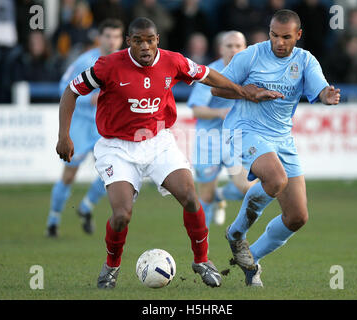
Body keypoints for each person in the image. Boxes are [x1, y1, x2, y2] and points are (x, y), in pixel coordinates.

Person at [55, 17, 262, 289]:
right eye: (138, 41)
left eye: (150, 40)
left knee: (190, 197)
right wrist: (63, 135)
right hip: (117, 146)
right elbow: (71, 91)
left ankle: (202, 260)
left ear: (157, 41)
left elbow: (206, 74)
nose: (145, 46)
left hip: (157, 141)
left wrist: (240, 91)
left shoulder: (172, 61)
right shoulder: (108, 65)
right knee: (122, 216)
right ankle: (111, 267)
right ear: (129, 42)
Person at [211, 9, 340, 287]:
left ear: (298, 36)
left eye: (285, 37)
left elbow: (320, 88)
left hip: (282, 138)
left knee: (296, 217)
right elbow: (216, 88)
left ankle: (251, 260)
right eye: (274, 35)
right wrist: (248, 92)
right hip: (245, 130)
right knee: (276, 179)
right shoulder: (251, 55)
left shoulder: (305, 60)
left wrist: (326, 95)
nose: (279, 42)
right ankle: (236, 234)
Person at [46, 19, 125, 237]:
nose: (112, 41)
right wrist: (89, 98)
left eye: (116, 36)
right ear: (100, 38)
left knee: (110, 172)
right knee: (69, 174)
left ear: (122, 38)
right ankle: (53, 219)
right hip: (82, 124)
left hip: (106, 125)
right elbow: (65, 87)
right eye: (108, 36)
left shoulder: (124, 61)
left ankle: (86, 206)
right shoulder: (85, 61)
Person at [187, 31, 255, 228]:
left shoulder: (253, 73)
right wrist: (219, 113)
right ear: (221, 49)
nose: (233, 50)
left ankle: (221, 195)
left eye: (238, 46)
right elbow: (196, 110)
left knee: (247, 188)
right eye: (229, 46)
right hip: (209, 140)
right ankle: (201, 250)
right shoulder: (209, 73)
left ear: (245, 49)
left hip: (237, 139)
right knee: (204, 197)